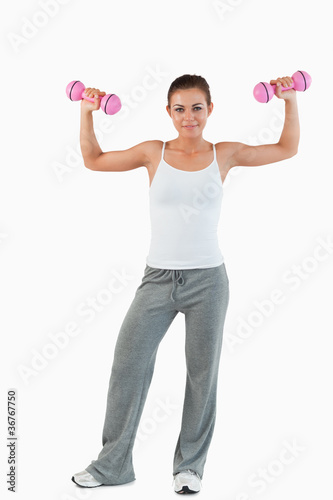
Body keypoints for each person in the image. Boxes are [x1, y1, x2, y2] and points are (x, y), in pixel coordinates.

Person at [71, 74, 299, 494]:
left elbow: (287, 148)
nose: (188, 116)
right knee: (128, 365)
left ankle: (189, 468)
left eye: (197, 107)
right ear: (168, 112)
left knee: (201, 374)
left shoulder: (223, 153)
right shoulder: (152, 152)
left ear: (209, 110)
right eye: (180, 108)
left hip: (208, 281)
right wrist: (86, 113)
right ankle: (113, 465)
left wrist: (288, 100)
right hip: (156, 279)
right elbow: (94, 159)